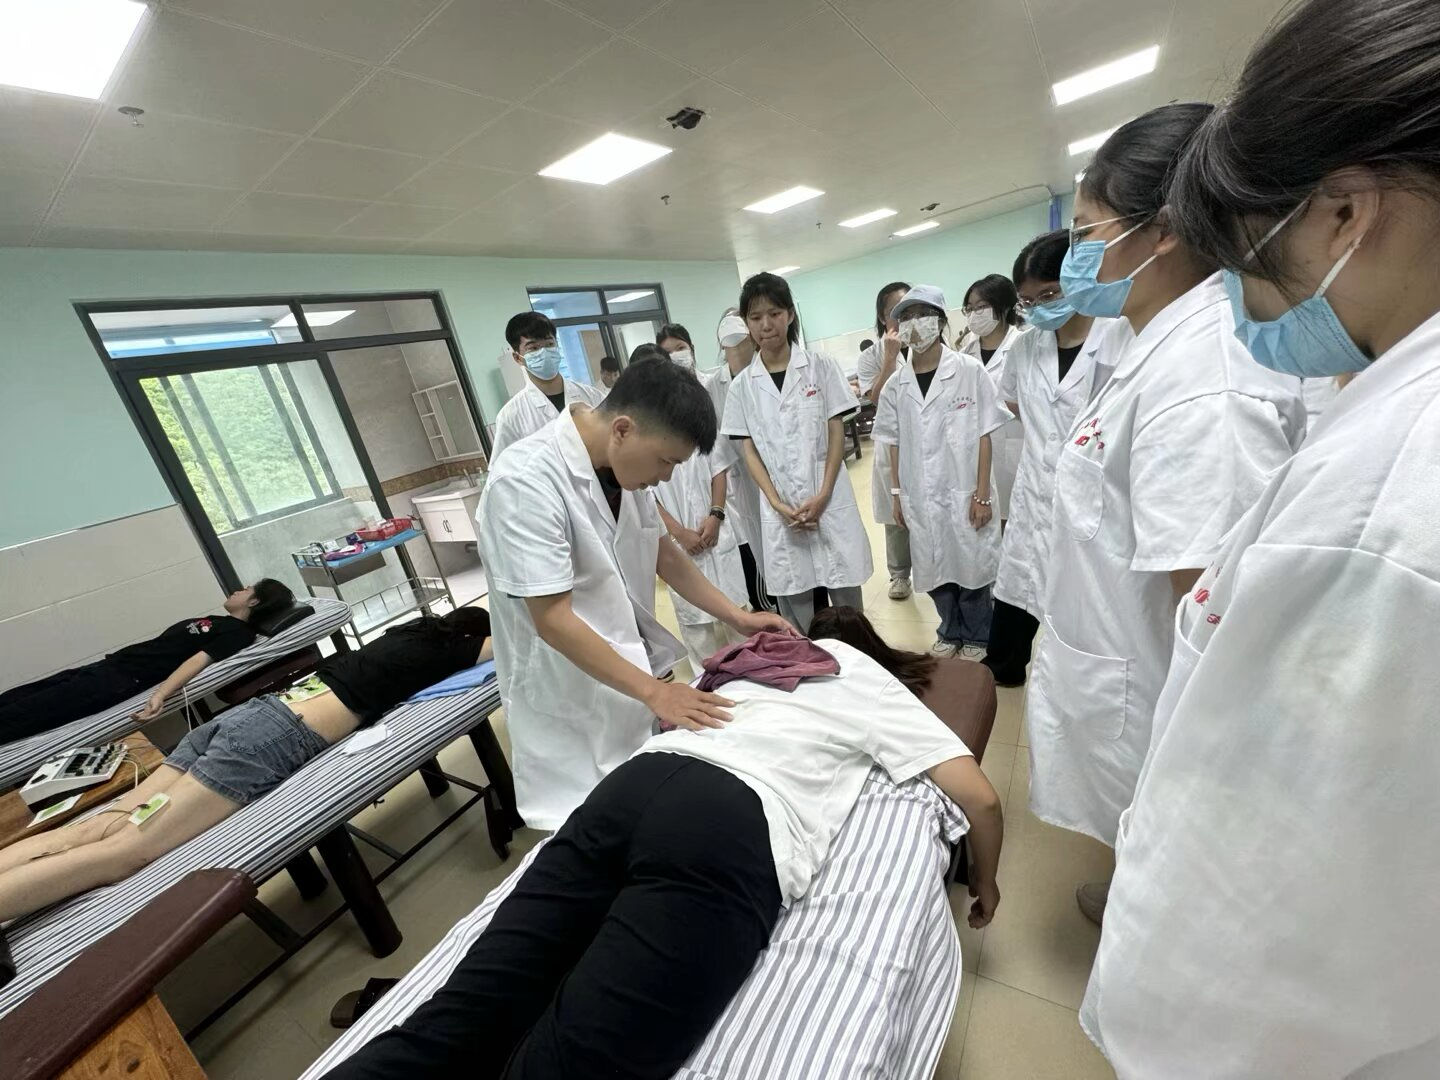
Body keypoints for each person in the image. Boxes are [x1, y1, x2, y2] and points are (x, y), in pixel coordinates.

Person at [1082, 1, 1440, 1071]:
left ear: (1346, 213)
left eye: (1246, 256)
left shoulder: (1386, 504)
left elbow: (1257, 905)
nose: (1241, 297)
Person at [319, 612, 1003, 1080]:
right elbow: (980, 798)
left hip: (629, 790)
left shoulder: (745, 667)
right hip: (725, 824)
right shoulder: (863, 675)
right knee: (576, 1061)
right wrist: (986, 881)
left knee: (458, 1019)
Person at [1026, 102, 1307, 924]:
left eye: (1088, 232)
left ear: (1165, 232)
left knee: (1176, 860)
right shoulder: (1155, 340)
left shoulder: (1203, 379)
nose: (1076, 256)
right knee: (1144, 832)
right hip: (1126, 671)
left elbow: (1213, 609)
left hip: (1158, 697)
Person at [0, 608, 493, 926]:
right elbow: (517, 636)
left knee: (99, 827)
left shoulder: (406, 633)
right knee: (127, 853)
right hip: (273, 737)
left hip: (245, 716)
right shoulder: (452, 648)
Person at [476, 359, 792, 831]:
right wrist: (655, 692)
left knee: (645, 810)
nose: (666, 477)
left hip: (627, 680)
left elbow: (665, 556)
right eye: (666, 462)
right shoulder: (524, 482)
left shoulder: (621, 469)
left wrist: (739, 617)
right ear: (623, 429)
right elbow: (553, 620)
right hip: (568, 694)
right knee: (589, 826)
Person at [982, 231, 1114, 686]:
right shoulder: (1025, 347)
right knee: (1019, 581)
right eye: (1028, 301)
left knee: (1083, 595)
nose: (1039, 308)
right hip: (1035, 488)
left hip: (1095, 493)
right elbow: (1013, 401)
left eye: (1049, 295)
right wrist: (1047, 437)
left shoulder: (1117, 335)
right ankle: (1004, 668)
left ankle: (1073, 677)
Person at [721, 273, 873, 632]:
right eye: (756, 317)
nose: (766, 325)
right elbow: (748, 450)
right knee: (797, 610)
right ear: (747, 324)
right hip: (782, 510)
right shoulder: (743, 387)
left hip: (829, 499)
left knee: (847, 602)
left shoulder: (821, 367)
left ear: (790, 314)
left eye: (774, 313)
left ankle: (861, 657)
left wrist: (823, 494)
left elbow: (835, 430)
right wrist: (776, 502)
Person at [873, 286, 1009, 658]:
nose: (915, 324)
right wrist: (897, 495)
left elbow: (984, 433)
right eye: (906, 317)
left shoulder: (968, 370)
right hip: (919, 494)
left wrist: (982, 494)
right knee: (932, 565)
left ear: (940, 320)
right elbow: (892, 442)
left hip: (964, 490)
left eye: (923, 314)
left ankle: (979, 635)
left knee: (972, 566)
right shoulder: (896, 385)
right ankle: (950, 630)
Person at [0, 579, 294, 743]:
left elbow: (198, 661)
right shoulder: (222, 622)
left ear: (254, 602)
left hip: (118, 680)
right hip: (107, 668)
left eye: (246, 590)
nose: (238, 589)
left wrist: (160, 695)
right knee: (15, 698)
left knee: (24, 713)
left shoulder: (238, 632)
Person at [640, 340, 749, 671]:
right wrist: (679, 533)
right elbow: (646, 496)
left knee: (737, 619)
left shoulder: (696, 414)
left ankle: (750, 675)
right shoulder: (640, 434)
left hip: (715, 530)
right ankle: (707, 682)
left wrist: (715, 515)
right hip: (679, 540)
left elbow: (719, 469)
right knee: (698, 630)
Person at [710, 310, 775, 613]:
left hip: (780, 475)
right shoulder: (714, 386)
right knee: (766, 562)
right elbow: (718, 444)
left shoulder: (769, 371)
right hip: (743, 484)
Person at [855, 282, 915, 601]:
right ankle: (899, 574)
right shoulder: (870, 357)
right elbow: (876, 398)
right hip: (892, 441)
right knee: (895, 516)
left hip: (926, 439)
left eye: (909, 308)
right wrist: (890, 357)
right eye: (896, 310)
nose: (904, 316)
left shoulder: (926, 345)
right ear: (882, 317)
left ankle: (936, 570)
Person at [956, 275, 1027, 521]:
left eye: (982, 306)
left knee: (1016, 519)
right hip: (975, 453)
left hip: (1016, 445)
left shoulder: (1025, 345)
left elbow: (1038, 403)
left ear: (1005, 306)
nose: (974, 314)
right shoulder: (966, 353)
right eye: (969, 308)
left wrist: (994, 404)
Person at [490, 311, 607, 460]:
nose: (544, 353)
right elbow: (503, 469)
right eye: (533, 348)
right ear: (517, 358)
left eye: (549, 344)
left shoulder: (593, 397)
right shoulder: (510, 417)